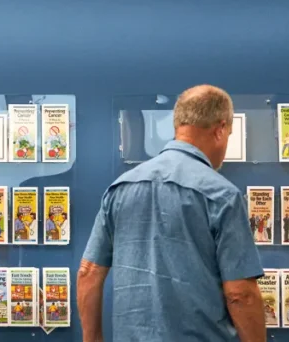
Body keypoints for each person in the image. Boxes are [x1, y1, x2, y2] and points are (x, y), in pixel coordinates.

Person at [78, 85, 265, 342]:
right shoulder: (222, 195)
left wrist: (92, 339)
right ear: (220, 129)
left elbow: (88, 272)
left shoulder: (120, 188)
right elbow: (240, 294)